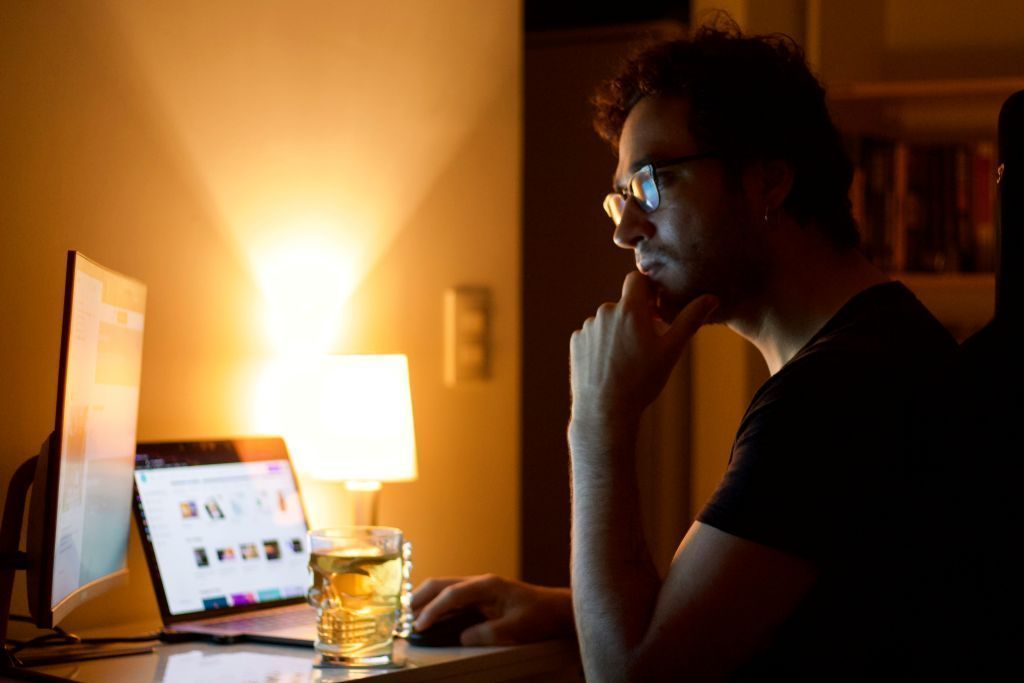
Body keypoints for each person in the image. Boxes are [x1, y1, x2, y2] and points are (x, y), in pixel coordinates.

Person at [413, 21, 982, 680]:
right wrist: (571, 610)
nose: (626, 231)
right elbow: (801, 626)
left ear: (768, 181)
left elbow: (631, 676)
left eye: (651, 183)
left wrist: (598, 422)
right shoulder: (880, 346)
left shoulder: (836, 394)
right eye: (621, 199)